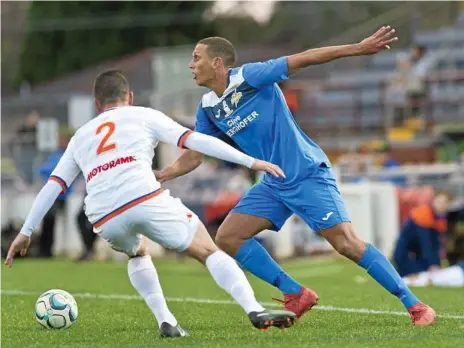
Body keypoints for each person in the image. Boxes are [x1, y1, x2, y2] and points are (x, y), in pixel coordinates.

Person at [155, 26, 437, 326]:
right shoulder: (208, 108)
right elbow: (196, 153)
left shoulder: (249, 77)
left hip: (306, 174)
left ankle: (416, 305)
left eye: (196, 57)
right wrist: (163, 174)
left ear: (217, 63)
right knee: (228, 236)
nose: (190, 65)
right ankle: (295, 292)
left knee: (347, 245)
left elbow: (304, 58)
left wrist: (357, 47)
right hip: (273, 183)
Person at [5, 70, 296, 337]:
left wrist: (27, 231)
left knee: (138, 251)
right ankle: (254, 309)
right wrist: (251, 161)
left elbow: (53, 186)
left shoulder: (81, 135)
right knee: (207, 249)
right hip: (143, 195)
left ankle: (166, 321)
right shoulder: (142, 115)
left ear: (97, 104)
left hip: (103, 214)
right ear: (129, 97)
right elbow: (196, 142)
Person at [393, 191, 452, 277]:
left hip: (417, 253)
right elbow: (425, 243)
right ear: (434, 200)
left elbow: (435, 245)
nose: (442, 205)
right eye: (440, 202)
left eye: (445, 203)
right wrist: (432, 265)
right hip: (404, 255)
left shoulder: (439, 220)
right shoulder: (423, 214)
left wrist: (436, 264)